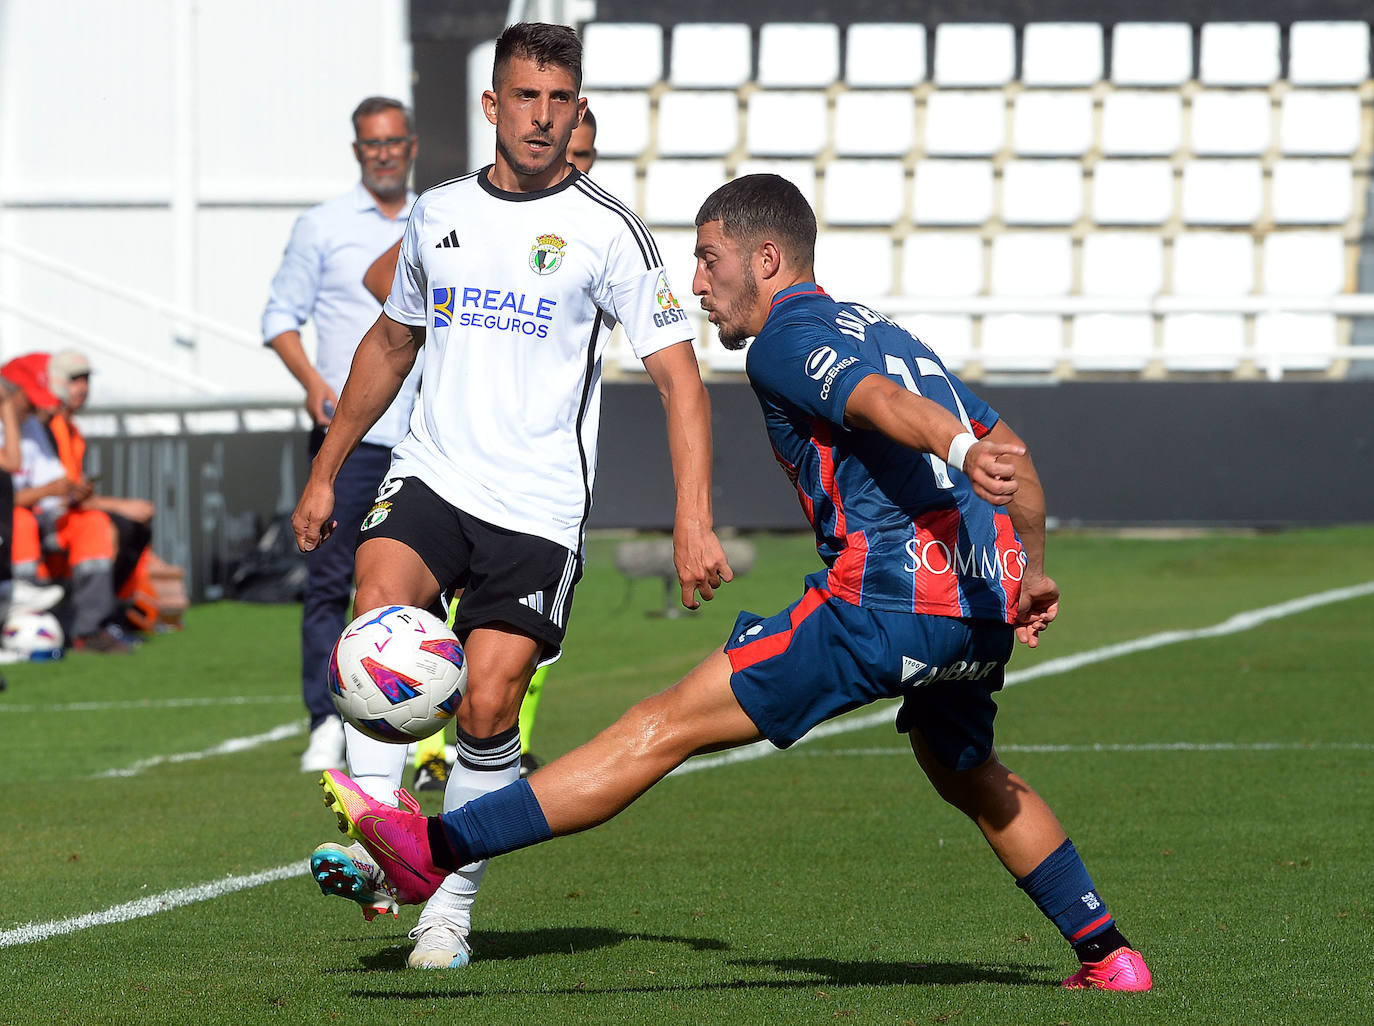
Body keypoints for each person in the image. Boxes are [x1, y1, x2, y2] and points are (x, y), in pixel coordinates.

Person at [311, 174, 1155, 992]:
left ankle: (434, 851)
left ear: (766, 260)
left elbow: (877, 406)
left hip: (886, 602)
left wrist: (958, 450)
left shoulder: (791, 336)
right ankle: (1110, 953)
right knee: (969, 771)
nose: (697, 283)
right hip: (978, 605)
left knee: (659, 726)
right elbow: (1020, 457)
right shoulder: (887, 329)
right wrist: (1030, 570)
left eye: (709, 258)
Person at [299, 22, 731, 971]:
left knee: (489, 706)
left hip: (535, 509)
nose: (542, 117)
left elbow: (680, 378)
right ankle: (379, 839)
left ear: (578, 110)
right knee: (378, 608)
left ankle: (445, 911)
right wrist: (329, 468)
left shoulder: (609, 230)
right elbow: (389, 343)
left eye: (559, 100)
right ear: (493, 106)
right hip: (432, 472)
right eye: (525, 98)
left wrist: (691, 515)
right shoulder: (439, 212)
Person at [362, 105, 602, 790]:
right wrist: (458, 318)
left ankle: (488, 760)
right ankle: (393, 798)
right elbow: (389, 288)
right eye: (568, 154)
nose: (573, 165)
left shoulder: (595, 227)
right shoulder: (462, 211)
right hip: (443, 464)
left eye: (585, 156)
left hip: (538, 486)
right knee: (390, 611)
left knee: (501, 677)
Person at [263, 96, 423, 773]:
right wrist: (309, 380)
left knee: (421, 583)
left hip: (425, 433)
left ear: (411, 145)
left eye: (392, 141)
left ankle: (416, 715)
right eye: (369, 144)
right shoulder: (322, 226)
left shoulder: (438, 219)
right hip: (348, 436)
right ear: (356, 151)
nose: (382, 153)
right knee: (330, 579)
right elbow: (279, 317)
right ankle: (326, 719)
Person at [4, 354, 129, 652]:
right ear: (9, 394)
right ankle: (16, 610)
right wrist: (47, 491)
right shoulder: (14, 421)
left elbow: (54, 486)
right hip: (11, 522)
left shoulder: (33, 426)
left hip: (43, 516)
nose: (38, 406)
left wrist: (71, 494)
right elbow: (7, 492)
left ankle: (89, 627)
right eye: (30, 398)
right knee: (19, 518)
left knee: (92, 523)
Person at [46, 350, 160, 630]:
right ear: (56, 382)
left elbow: (74, 493)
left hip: (66, 510)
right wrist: (121, 506)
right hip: (46, 515)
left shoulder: (71, 429)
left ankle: (112, 613)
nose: (83, 387)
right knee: (108, 527)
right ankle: (91, 620)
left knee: (134, 525)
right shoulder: (50, 425)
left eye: (85, 379)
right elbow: (59, 495)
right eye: (75, 379)